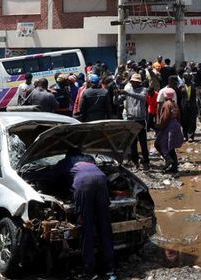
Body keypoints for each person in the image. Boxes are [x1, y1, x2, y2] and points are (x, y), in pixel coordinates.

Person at [44, 149, 117, 280]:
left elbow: (53, 179)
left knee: (86, 228)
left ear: (68, 155)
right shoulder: (89, 158)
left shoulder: (66, 162)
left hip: (84, 185)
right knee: (105, 227)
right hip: (101, 181)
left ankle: (89, 272)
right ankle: (110, 269)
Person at [121, 74, 151, 170]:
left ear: (139, 83)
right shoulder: (128, 90)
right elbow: (118, 101)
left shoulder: (143, 90)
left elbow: (142, 98)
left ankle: (146, 161)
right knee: (133, 142)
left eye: (135, 82)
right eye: (132, 82)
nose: (133, 83)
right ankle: (135, 162)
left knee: (143, 142)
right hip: (130, 119)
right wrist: (117, 95)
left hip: (140, 119)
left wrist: (127, 93)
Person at [154, 87, 183, 174]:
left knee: (158, 143)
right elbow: (179, 116)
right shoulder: (175, 104)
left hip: (168, 126)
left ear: (165, 96)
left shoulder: (166, 104)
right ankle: (174, 165)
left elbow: (165, 118)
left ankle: (168, 159)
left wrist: (159, 127)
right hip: (175, 125)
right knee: (171, 146)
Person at [180, 71, 199, 142]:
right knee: (184, 121)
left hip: (192, 105)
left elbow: (197, 96)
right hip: (184, 106)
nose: (187, 78)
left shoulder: (194, 85)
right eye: (185, 77)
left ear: (190, 78)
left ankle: (191, 136)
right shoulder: (181, 86)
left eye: (188, 77)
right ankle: (185, 135)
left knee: (192, 121)